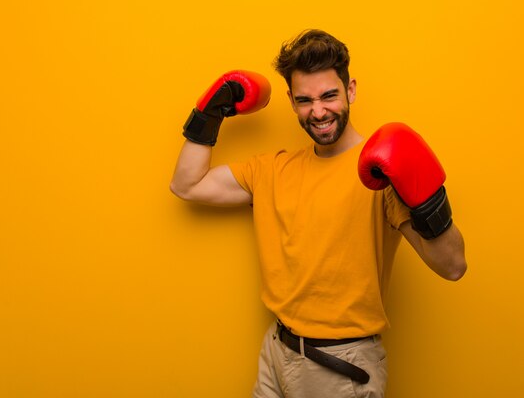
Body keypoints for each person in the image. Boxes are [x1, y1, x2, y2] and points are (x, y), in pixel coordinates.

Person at [170, 29, 467, 398]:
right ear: (292, 102)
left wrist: (429, 201)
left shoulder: (381, 176)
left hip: (339, 364)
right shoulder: (273, 170)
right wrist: (209, 112)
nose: (318, 111)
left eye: (329, 96)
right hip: (277, 350)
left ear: (351, 90)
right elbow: (187, 185)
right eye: (305, 100)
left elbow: (452, 266)